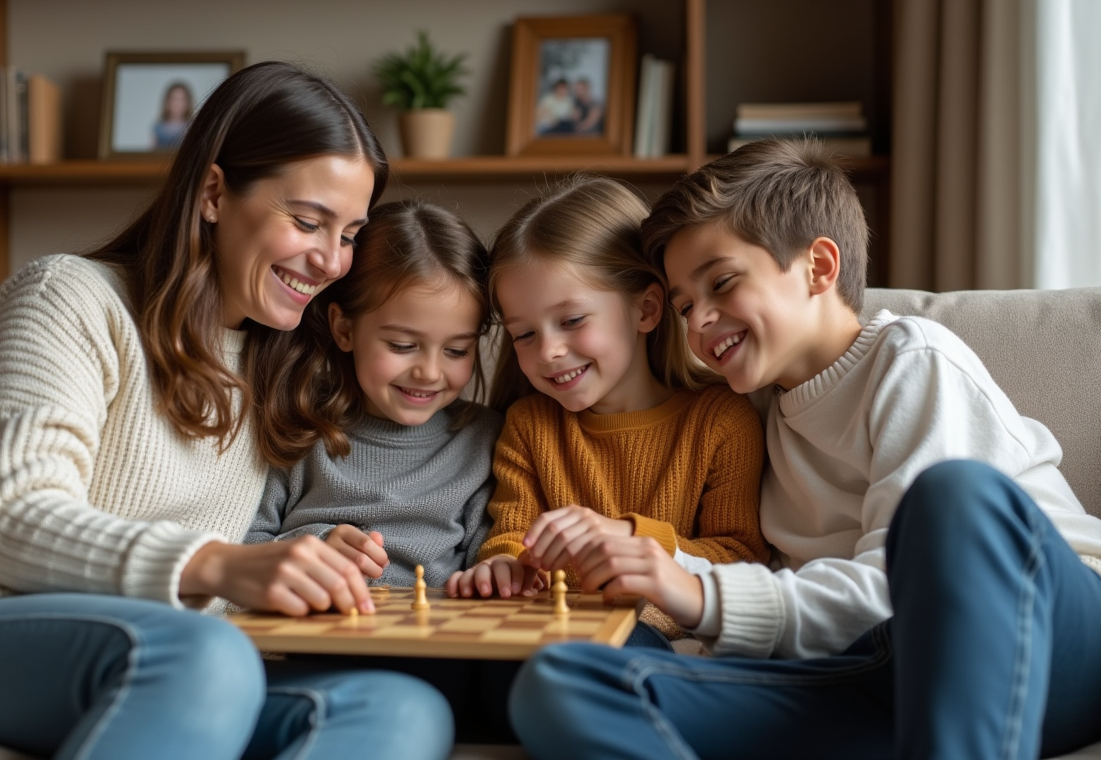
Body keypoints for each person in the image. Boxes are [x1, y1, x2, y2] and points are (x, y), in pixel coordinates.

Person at [0, 62, 453, 760]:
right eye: (308, 222)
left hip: (165, 658)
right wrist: (223, 565)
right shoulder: (67, 298)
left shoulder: (282, 363)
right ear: (214, 193)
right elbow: (12, 521)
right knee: (204, 655)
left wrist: (296, 557)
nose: (331, 262)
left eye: (347, 234)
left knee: (398, 707)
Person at [508, 138, 1101, 759]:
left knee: (954, 495)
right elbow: (783, 596)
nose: (699, 320)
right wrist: (660, 566)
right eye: (685, 305)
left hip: (1044, 637)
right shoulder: (753, 407)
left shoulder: (911, 357)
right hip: (876, 673)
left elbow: (903, 590)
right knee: (565, 682)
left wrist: (699, 593)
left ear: (819, 267)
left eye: (722, 283)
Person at [447, 175, 769, 649]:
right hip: (546, 635)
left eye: (572, 320)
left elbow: (739, 559)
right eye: (524, 334)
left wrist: (632, 540)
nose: (549, 351)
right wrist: (504, 566)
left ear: (646, 309)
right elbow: (512, 534)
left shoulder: (721, 421)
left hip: (642, 639)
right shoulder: (529, 425)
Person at [243, 199, 503, 590]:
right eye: (402, 345)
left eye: (456, 350)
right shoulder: (294, 422)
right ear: (344, 329)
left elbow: (488, 563)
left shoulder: (483, 440)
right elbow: (245, 548)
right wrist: (313, 546)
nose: (430, 372)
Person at [152, 80, 194, 150]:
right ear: (167, 101)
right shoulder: (158, 127)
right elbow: (152, 152)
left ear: (188, 102)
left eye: (182, 99)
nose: (178, 103)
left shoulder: (193, 127)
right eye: (174, 99)